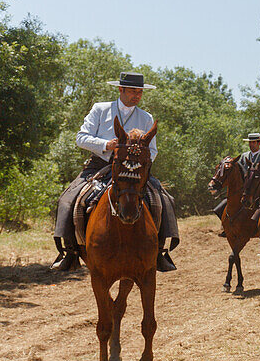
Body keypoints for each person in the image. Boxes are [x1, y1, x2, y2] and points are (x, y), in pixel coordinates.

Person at [52, 71, 179, 272]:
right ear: (121, 89)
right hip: (100, 164)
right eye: (132, 91)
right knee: (68, 199)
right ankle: (70, 251)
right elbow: (81, 137)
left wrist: (138, 163)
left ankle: (160, 252)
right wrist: (105, 144)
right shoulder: (100, 110)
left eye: (140, 92)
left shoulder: (146, 118)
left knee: (164, 200)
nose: (136, 95)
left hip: (134, 169)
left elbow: (152, 151)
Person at [213, 133, 260, 224]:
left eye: (253, 142)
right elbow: (238, 172)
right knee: (221, 207)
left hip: (257, 189)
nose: (251, 144)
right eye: (250, 143)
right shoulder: (244, 156)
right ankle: (227, 226)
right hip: (243, 188)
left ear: (259, 143)